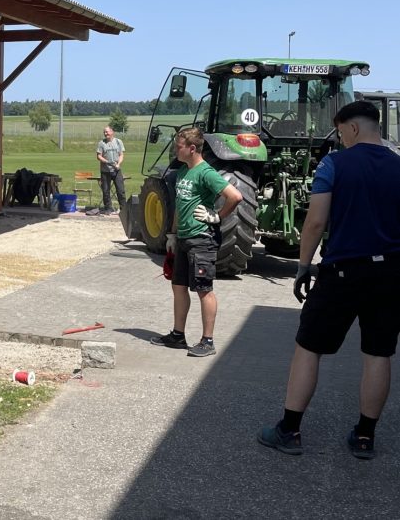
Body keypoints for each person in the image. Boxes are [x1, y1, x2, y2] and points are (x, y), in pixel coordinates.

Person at [258, 101, 400, 459]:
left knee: (309, 348)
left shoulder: (334, 164)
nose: (341, 139)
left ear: (351, 128)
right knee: (378, 353)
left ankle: (289, 430)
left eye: (340, 132)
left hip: (342, 271)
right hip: (391, 273)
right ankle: (365, 437)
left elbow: (316, 222)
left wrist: (304, 265)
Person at [151, 127, 242, 357]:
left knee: (204, 290)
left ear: (192, 149)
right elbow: (180, 206)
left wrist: (217, 217)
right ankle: (178, 335)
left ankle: (207, 341)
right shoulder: (183, 171)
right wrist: (172, 235)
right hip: (183, 239)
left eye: (179, 146)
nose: (175, 149)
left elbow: (235, 196)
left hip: (202, 239)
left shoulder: (206, 173)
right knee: (178, 286)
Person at [96, 126, 126, 214]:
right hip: (105, 171)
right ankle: (108, 208)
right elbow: (98, 156)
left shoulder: (118, 142)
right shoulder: (101, 143)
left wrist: (118, 164)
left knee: (120, 190)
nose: (105, 134)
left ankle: (123, 209)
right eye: (104, 132)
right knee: (106, 190)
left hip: (116, 170)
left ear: (112, 132)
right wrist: (106, 161)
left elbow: (121, 155)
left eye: (107, 132)